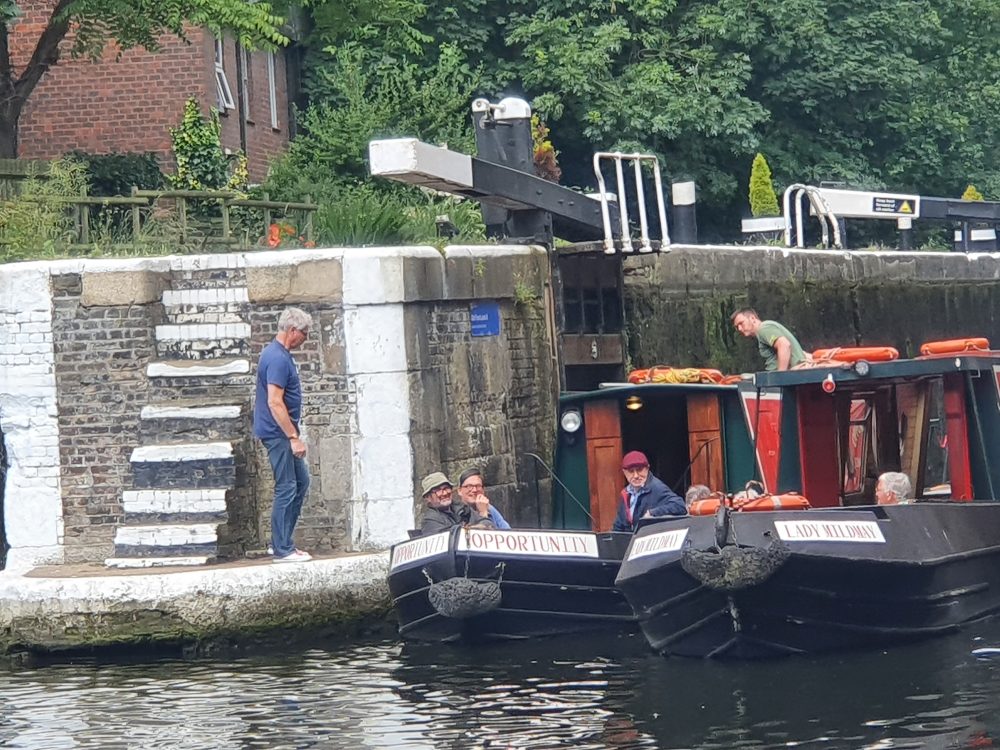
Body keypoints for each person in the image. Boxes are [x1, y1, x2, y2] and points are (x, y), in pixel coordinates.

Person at [253, 307, 314, 563]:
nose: (305, 338)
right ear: (292, 330)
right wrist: (293, 436)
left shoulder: (279, 355)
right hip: (278, 434)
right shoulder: (276, 358)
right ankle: (282, 549)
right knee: (287, 486)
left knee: (301, 482)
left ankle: (282, 541)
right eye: (304, 333)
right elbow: (275, 402)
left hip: (281, 433)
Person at [613, 451, 686, 532]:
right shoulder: (626, 493)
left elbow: (680, 506)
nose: (636, 476)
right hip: (630, 541)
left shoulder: (657, 487)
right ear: (624, 472)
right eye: (631, 471)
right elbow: (619, 526)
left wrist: (653, 513)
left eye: (639, 470)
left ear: (647, 468)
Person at [731, 308, 807, 371]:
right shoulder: (764, 331)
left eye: (741, 323)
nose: (740, 328)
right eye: (737, 327)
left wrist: (781, 377)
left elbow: (784, 345)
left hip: (787, 380)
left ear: (752, 318)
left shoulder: (764, 328)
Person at [420, 472, 493, 535]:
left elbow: (487, 523)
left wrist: (478, 525)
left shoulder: (462, 508)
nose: (445, 493)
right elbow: (450, 538)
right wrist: (473, 528)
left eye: (446, 488)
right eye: (438, 490)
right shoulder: (429, 520)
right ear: (428, 497)